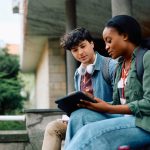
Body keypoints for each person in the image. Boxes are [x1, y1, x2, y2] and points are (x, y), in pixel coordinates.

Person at [64, 15, 150, 150]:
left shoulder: (146, 57)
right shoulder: (121, 65)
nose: (106, 47)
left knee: (89, 132)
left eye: (109, 41)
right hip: (125, 118)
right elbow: (117, 103)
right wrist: (92, 102)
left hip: (144, 123)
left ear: (125, 36)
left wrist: (108, 108)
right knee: (78, 116)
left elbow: (148, 103)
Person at [42, 27, 117, 150]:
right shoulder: (78, 73)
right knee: (53, 127)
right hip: (81, 118)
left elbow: (122, 102)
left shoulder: (110, 66)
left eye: (83, 46)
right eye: (75, 50)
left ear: (92, 44)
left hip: (106, 118)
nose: (80, 53)